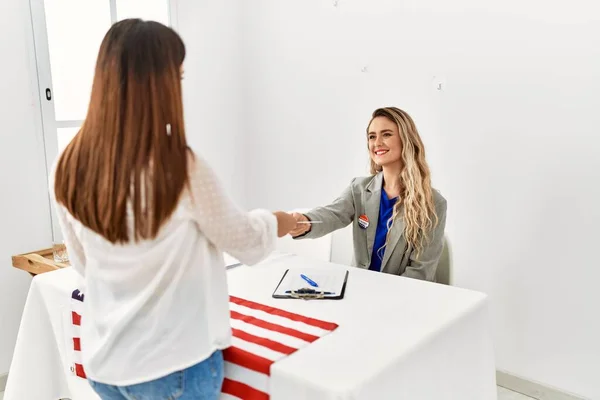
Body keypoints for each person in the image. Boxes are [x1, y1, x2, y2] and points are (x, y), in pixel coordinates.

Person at [50, 19, 296, 400]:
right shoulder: (177, 167)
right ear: (157, 85)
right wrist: (277, 221)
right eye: (176, 78)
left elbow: (84, 265)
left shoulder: (69, 164)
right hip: (171, 369)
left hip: (105, 363)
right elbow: (245, 241)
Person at [290, 107, 447, 281]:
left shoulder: (432, 203)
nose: (377, 143)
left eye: (386, 134)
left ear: (406, 139)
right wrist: (306, 221)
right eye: (372, 136)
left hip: (401, 296)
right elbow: (332, 214)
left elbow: (421, 271)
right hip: (358, 288)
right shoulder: (358, 188)